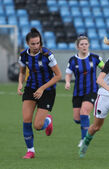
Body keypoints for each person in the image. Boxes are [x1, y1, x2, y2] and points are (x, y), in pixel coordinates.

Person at [17, 28, 62, 159]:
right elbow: (22, 72)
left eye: (38, 43)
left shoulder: (47, 54)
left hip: (47, 91)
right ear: (27, 43)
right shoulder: (23, 55)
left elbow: (58, 75)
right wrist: (20, 83)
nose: (36, 46)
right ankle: (30, 151)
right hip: (31, 88)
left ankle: (48, 121)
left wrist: (42, 88)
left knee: (37, 126)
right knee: (26, 120)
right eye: (33, 44)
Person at [65, 35, 104, 147]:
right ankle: (85, 118)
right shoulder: (73, 60)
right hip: (78, 92)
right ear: (78, 46)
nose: (84, 46)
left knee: (84, 112)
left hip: (91, 90)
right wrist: (67, 82)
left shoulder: (95, 58)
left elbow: (105, 68)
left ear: (89, 45)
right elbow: (68, 73)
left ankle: (84, 140)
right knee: (77, 119)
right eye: (82, 44)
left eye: (86, 44)